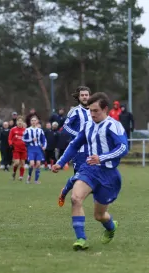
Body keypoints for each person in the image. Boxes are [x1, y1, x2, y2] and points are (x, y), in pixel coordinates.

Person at [52, 92, 129, 250]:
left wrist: (102, 157)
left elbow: (123, 148)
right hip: (89, 170)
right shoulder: (87, 125)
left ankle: (111, 226)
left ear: (105, 109)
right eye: (90, 111)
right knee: (75, 198)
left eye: (95, 111)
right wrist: (61, 162)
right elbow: (74, 144)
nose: (92, 114)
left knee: (99, 216)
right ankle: (81, 239)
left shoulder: (113, 125)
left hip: (108, 175)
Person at [57, 85, 91, 207]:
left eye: (86, 95)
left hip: (94, 150)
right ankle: (65, 192)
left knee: (97, 176)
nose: (85, 97)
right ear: (78, 97)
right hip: (80, 150)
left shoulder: (94, 110)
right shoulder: (75, 111)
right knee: (78, 178)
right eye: (82, 95)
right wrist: (78, 136)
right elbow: (65, 127)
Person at [23, 116, 46, 184]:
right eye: (32, 120)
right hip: (31, 148)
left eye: (34, 120)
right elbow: (23, 139)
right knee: (32, 164)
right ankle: (29, 176)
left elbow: (44, 139)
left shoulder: (40, 130)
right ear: (30, 122)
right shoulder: (27, 130)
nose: (33, 122)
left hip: (38, 149)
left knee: (38, 164)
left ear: (37, 121)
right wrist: (31, 140)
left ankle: (36, 180)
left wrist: (44, 146)